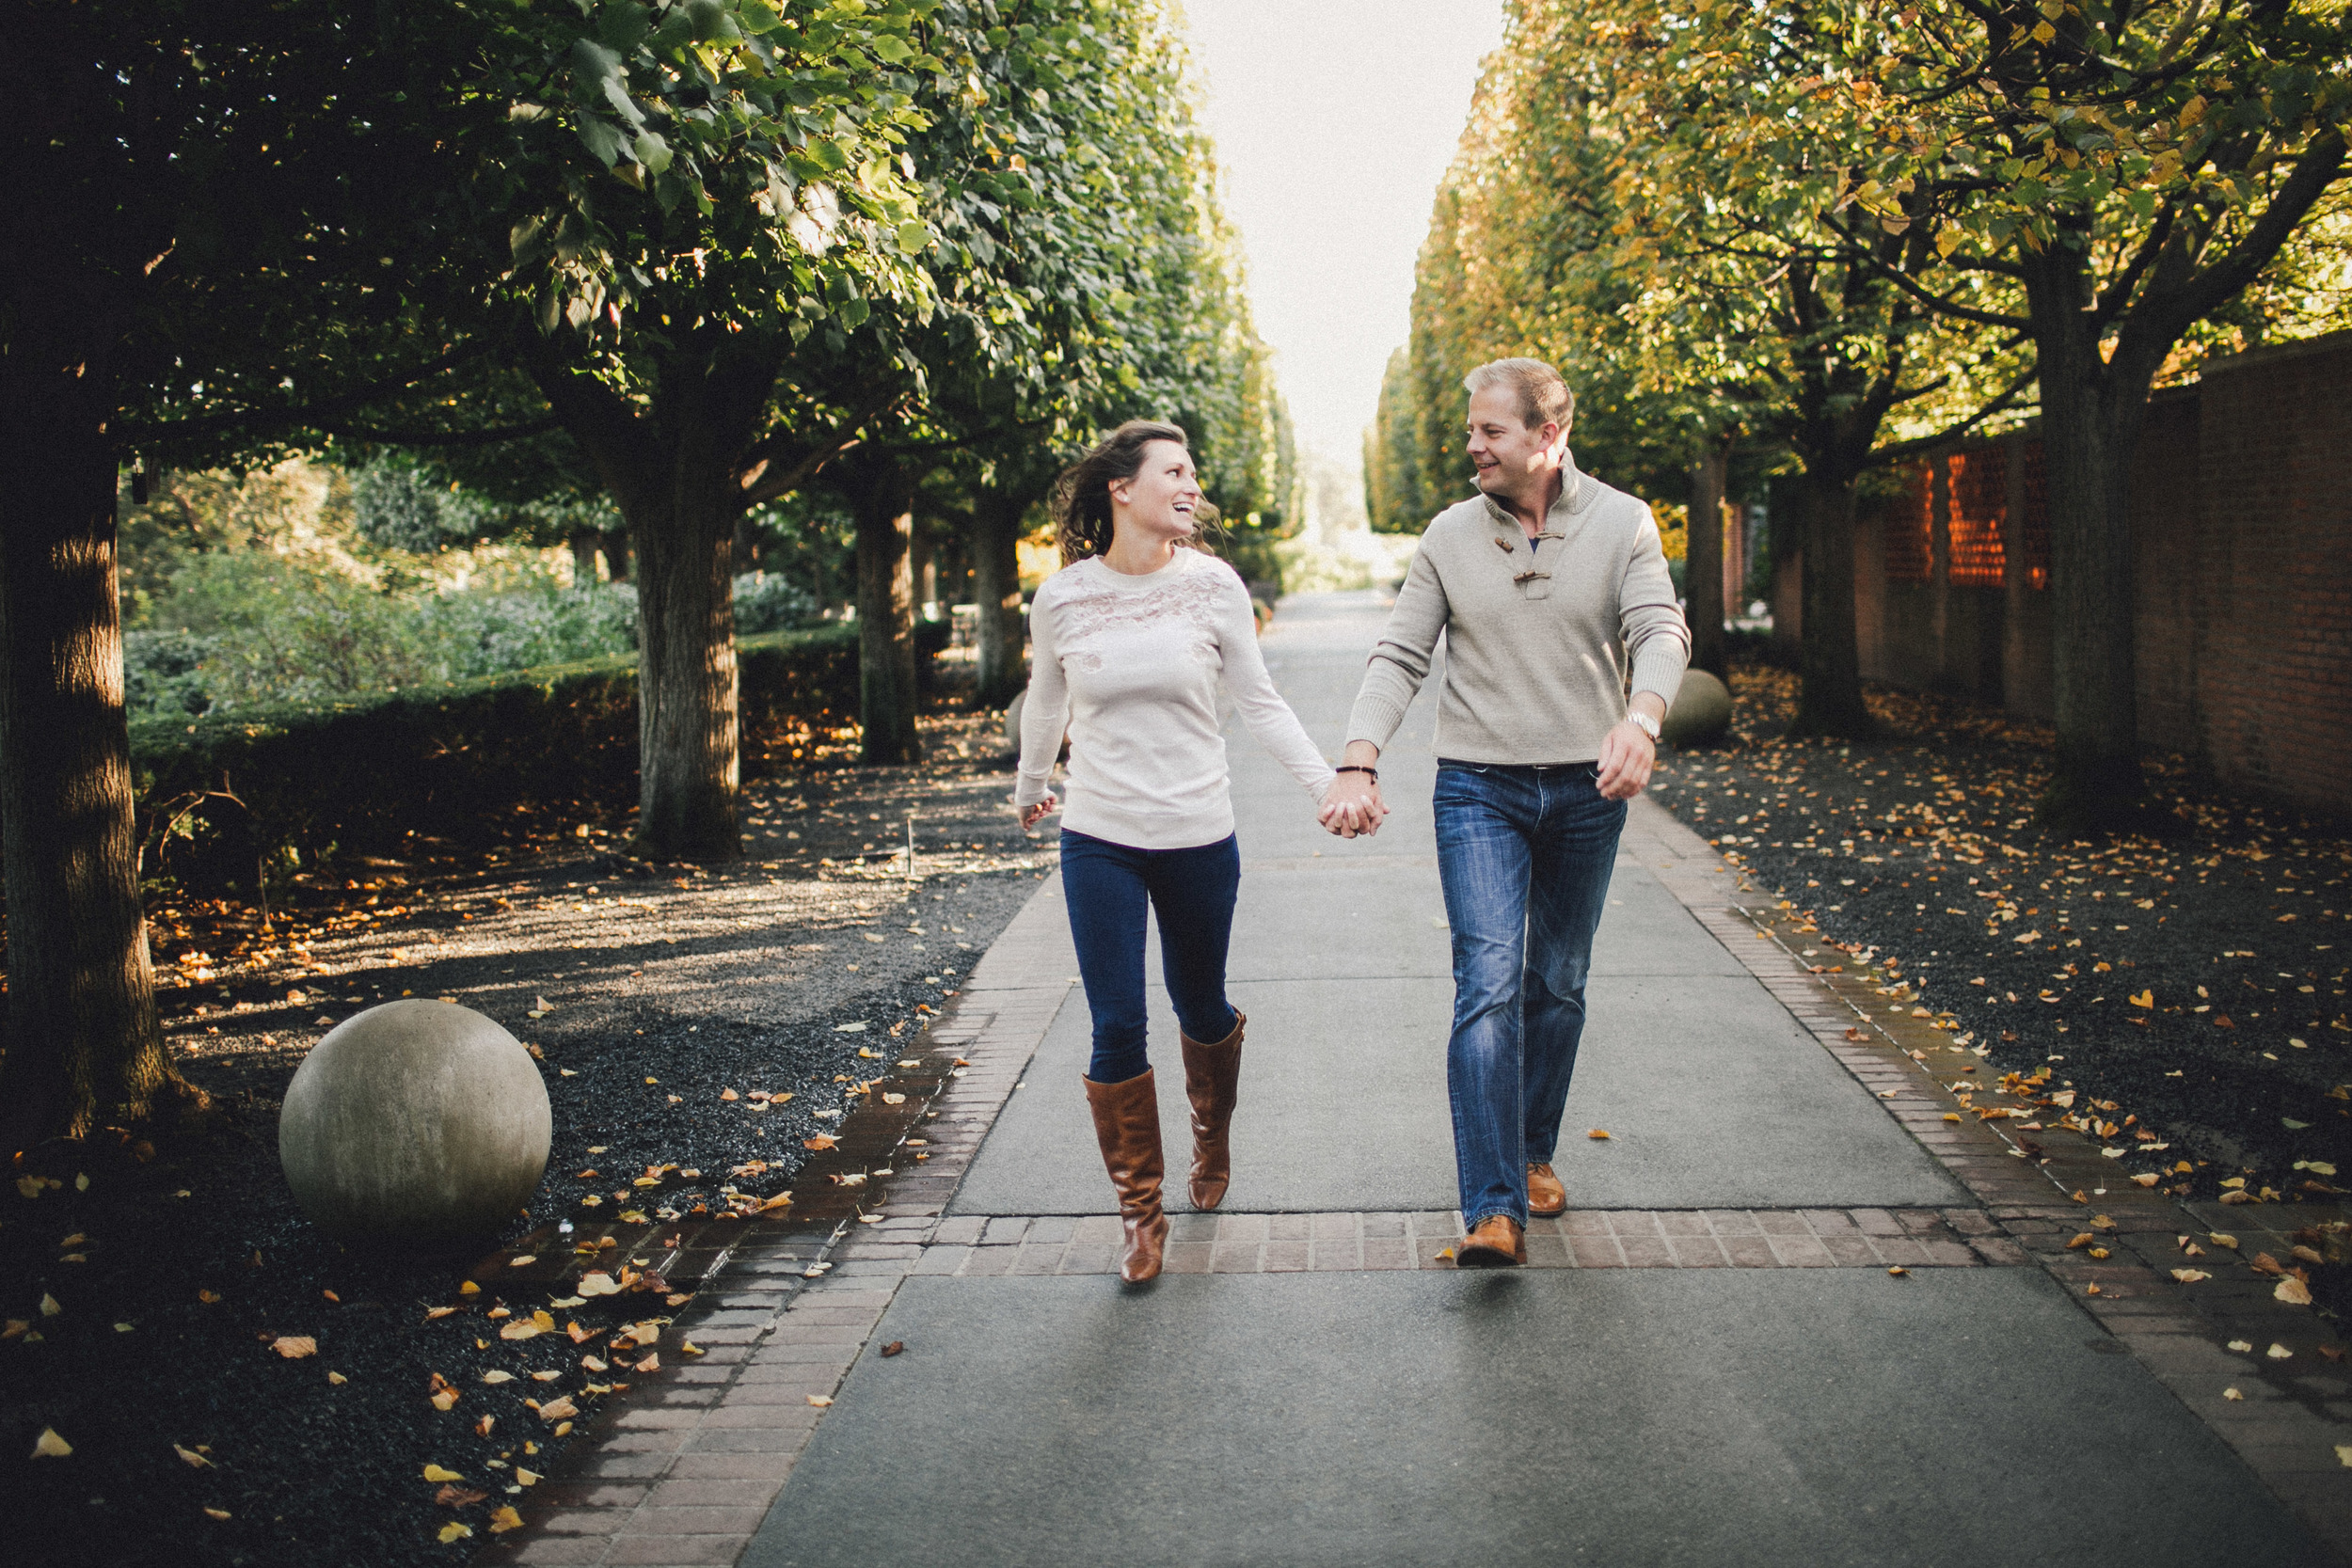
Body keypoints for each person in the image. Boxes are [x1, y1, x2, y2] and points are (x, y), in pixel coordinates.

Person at [1325, 358, 1689, 1267]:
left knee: (1556, 982)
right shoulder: (1450, 534)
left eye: (1491, 431)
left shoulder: (1623, 521)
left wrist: (1641, 720)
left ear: (1547, 437)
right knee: (1487, 982)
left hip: (1585, 789)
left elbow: (1659, 628)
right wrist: (1358, 759)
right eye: (1472, 429)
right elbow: (1401, 654)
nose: (1471, 445)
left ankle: (1530, 1153)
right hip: (1478, 786)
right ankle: (1492, 1209)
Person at [1013, 420, 1352, 1283]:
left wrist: (1328, 785)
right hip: (1099, 836)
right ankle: (1140, 1212)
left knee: (1201, 1007)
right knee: (1117, 1020)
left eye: (1194, 469)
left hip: (1199, 833)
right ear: (1122, 488)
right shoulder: (1063, 597)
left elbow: (1262, 703)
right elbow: (1044, 703)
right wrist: (1029, 784)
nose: (1191, 483)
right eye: (1175, 470)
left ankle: (1211, 1130)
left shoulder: (1213, 587)